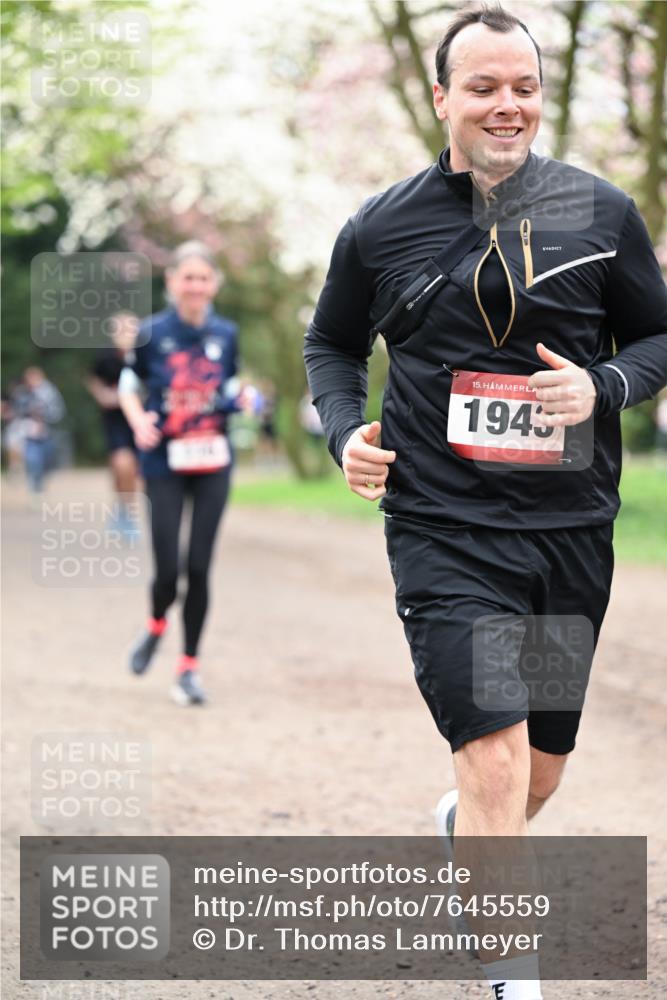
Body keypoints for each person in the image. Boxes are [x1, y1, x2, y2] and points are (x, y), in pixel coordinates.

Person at [304, 6, 667, 999]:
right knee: (496, 755)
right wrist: (345, 432)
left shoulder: (602, 214)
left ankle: (468, 831)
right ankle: (515, 976)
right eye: (482, 87)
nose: (505, 106)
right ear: (440, 98)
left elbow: (655, 339)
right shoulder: (380, 226)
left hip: (565, 533)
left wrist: (605, 388)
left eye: (523, 87)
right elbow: (330, 346)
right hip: (443, 531)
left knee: (537, 774)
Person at [119, 241, 247, 707]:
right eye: (186, 277)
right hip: (165, 463)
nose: (195, 286)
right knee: (169, 571)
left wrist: (245, 399)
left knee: (199, 567)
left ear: (214, 284)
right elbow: (128, 386)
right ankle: (155, 624)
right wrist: (138, 422)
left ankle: (188, 668)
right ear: (171, 281)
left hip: (213, 460)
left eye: (203, 277)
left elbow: (230, 385)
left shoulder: (227, 333)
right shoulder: (151, 332)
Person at [85, 312, 140, 537]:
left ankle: (123, 508)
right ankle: (125, 511)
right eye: (121, 329)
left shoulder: (145, 355)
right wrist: (102, 395)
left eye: (131, 328)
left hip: (141, 419)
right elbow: (92, 378)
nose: (126, 333)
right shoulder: (106, 356)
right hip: (116, 420)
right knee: (122, 464)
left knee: (131, 469)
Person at [19, 367, 66, 496]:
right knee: (32, 461)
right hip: (30, 434)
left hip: (48, 433)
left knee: (47, 463)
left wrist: (44, 416)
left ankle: (40, 484)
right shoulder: (23, 393)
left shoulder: (50, 392)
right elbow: (18, 411)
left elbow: (58, 412)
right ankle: (35, 488)